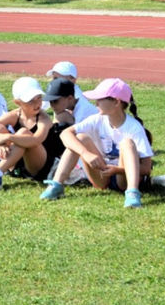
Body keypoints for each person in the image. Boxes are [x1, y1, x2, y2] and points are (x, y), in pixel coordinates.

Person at [40, 77, 152, 208]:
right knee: (80, 138)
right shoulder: (97, 119)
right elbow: (65, 134)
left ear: (116, 102)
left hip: (124, 179)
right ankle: (57, 185)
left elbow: (146, 168)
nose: (96, 103)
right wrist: (85, 153)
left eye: (99, 99)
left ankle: (132, 193)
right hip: (101, 177)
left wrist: (117, 170)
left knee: (127, 143)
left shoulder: (134, 127)